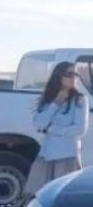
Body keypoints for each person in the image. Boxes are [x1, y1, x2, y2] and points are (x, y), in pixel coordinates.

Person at [24, 61, 89, 196]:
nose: (74, 78)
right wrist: (56, 102)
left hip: (67, 158)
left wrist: (52, 130)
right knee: (37, 198)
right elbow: (39, 124)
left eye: (76, 74)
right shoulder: (48, 99)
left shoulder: (79, 100)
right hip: (46, 157)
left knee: (63, 199)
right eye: (69, 74)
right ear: (59, 76)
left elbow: (79, 130)